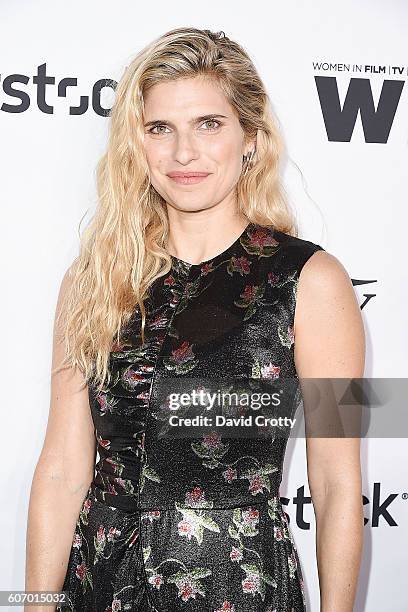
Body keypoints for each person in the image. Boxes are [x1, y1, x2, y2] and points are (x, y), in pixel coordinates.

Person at [25, 27, 365, 612]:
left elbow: (337, 485)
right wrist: (28, 605)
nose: (184, 153)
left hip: (240, 588)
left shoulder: (315, 281)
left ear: (250, 138)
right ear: (137, 144)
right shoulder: (96, 279)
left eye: (209, 124)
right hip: (102, 586)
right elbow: (60, 471)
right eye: (160, 128)